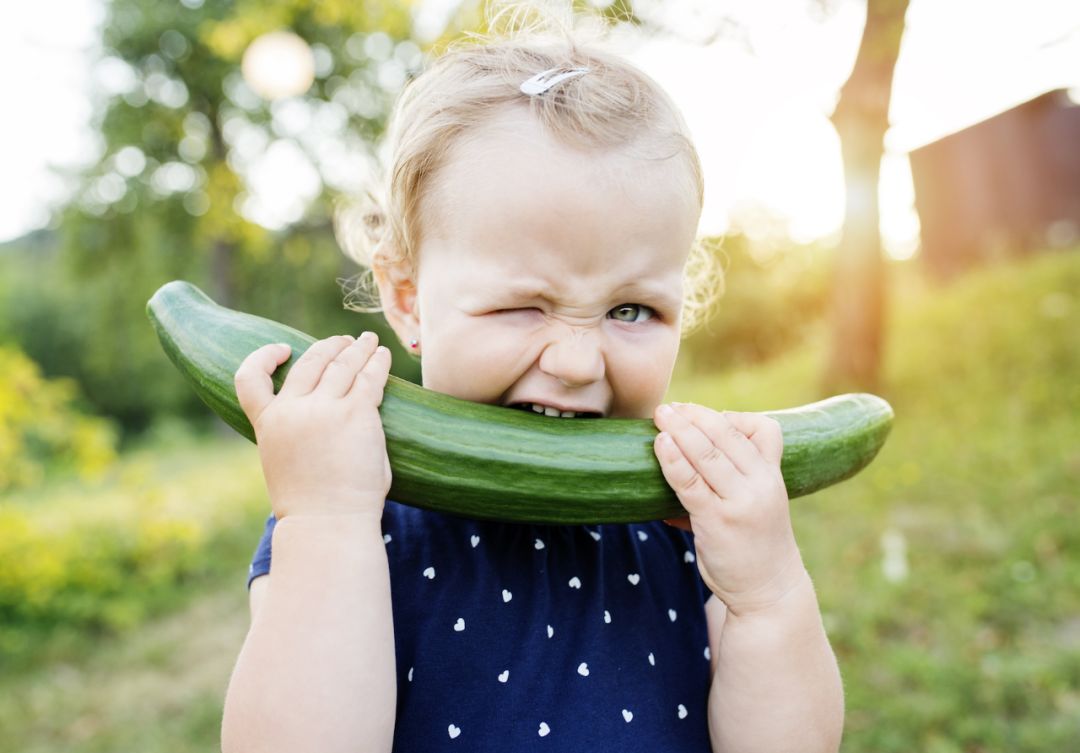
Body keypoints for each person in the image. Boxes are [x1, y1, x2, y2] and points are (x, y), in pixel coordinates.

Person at [221, 9, 844, 753]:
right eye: (523, 304)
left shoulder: (689, 536)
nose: (579, 361)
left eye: (631, 309)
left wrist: (767, 594)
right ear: (409, 297)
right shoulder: (353, 517)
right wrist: (322, 521)